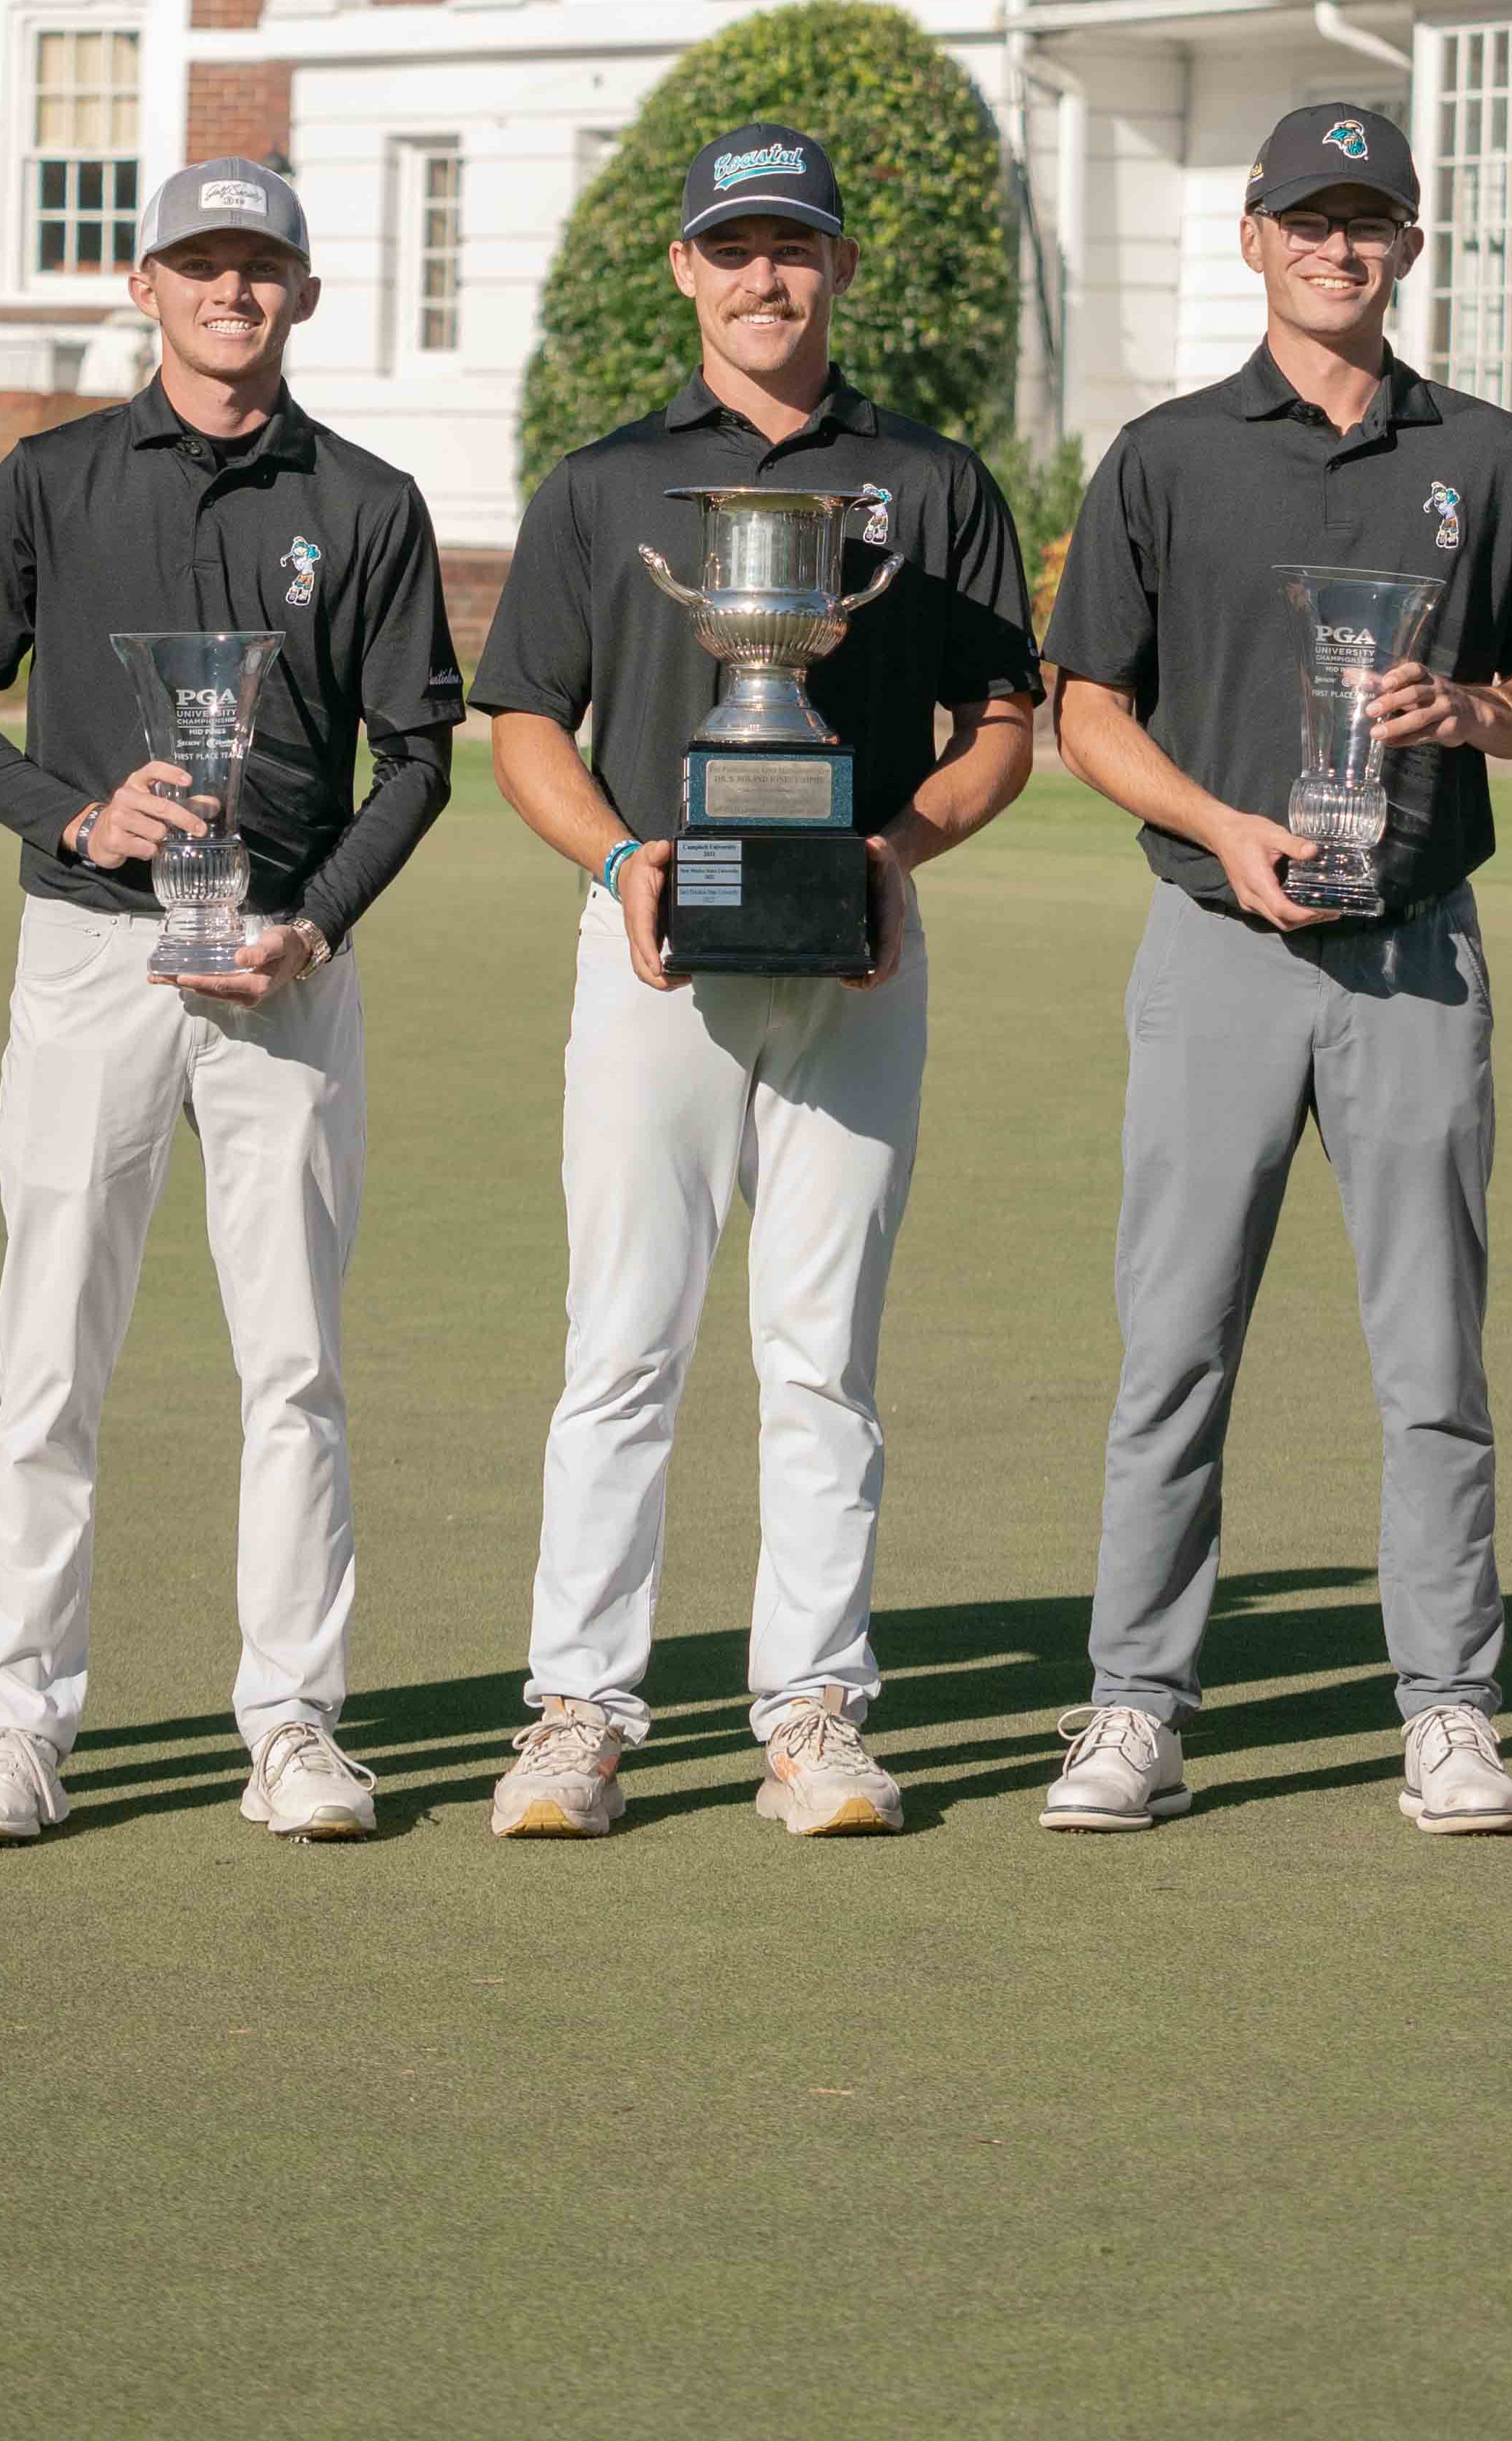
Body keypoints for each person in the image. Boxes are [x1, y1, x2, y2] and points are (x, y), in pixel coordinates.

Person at [469, 123, 1036, 1840]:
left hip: (858, 944)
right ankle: (579, 1708)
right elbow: (521, 720)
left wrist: (896, 852)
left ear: (841, 266)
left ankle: (813, 1710)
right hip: (655, 947)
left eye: (795, 245)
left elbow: (1002, 721)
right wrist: (624, 862)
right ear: (685, 272)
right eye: (735, 248)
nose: (765, 276)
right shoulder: (601, 485)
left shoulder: (930, 485)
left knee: (820, 1351)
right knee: (622, 1344)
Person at [1038, 98, 1512, 1837]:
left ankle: (1449, 1705)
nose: (1340, 247)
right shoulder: (1167, 454)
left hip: (1417, 952)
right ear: (1255, 238)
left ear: (1410, 245)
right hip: (1216, 945)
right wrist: (1222, 827)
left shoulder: (1484, 456)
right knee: (1173, 1345)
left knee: (1431, 1352)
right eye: (1310, 218)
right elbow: (1084, 710)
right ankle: (1136, 1704)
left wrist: (1470, 709)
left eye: (1372, 220)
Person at [0, 161, 462, 1848]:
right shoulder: (50, 480)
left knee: (293, 1361)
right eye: (203, 264)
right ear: (144, 285)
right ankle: (15, 1722)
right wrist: (74, 814)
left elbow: (422, 752)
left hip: (281, 969)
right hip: (89, 951)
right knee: (49, 1355)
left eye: (263, 266)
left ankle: (292, 1718)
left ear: (301, 292)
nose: (234, 292)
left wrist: (319, 924)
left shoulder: (364, 500)